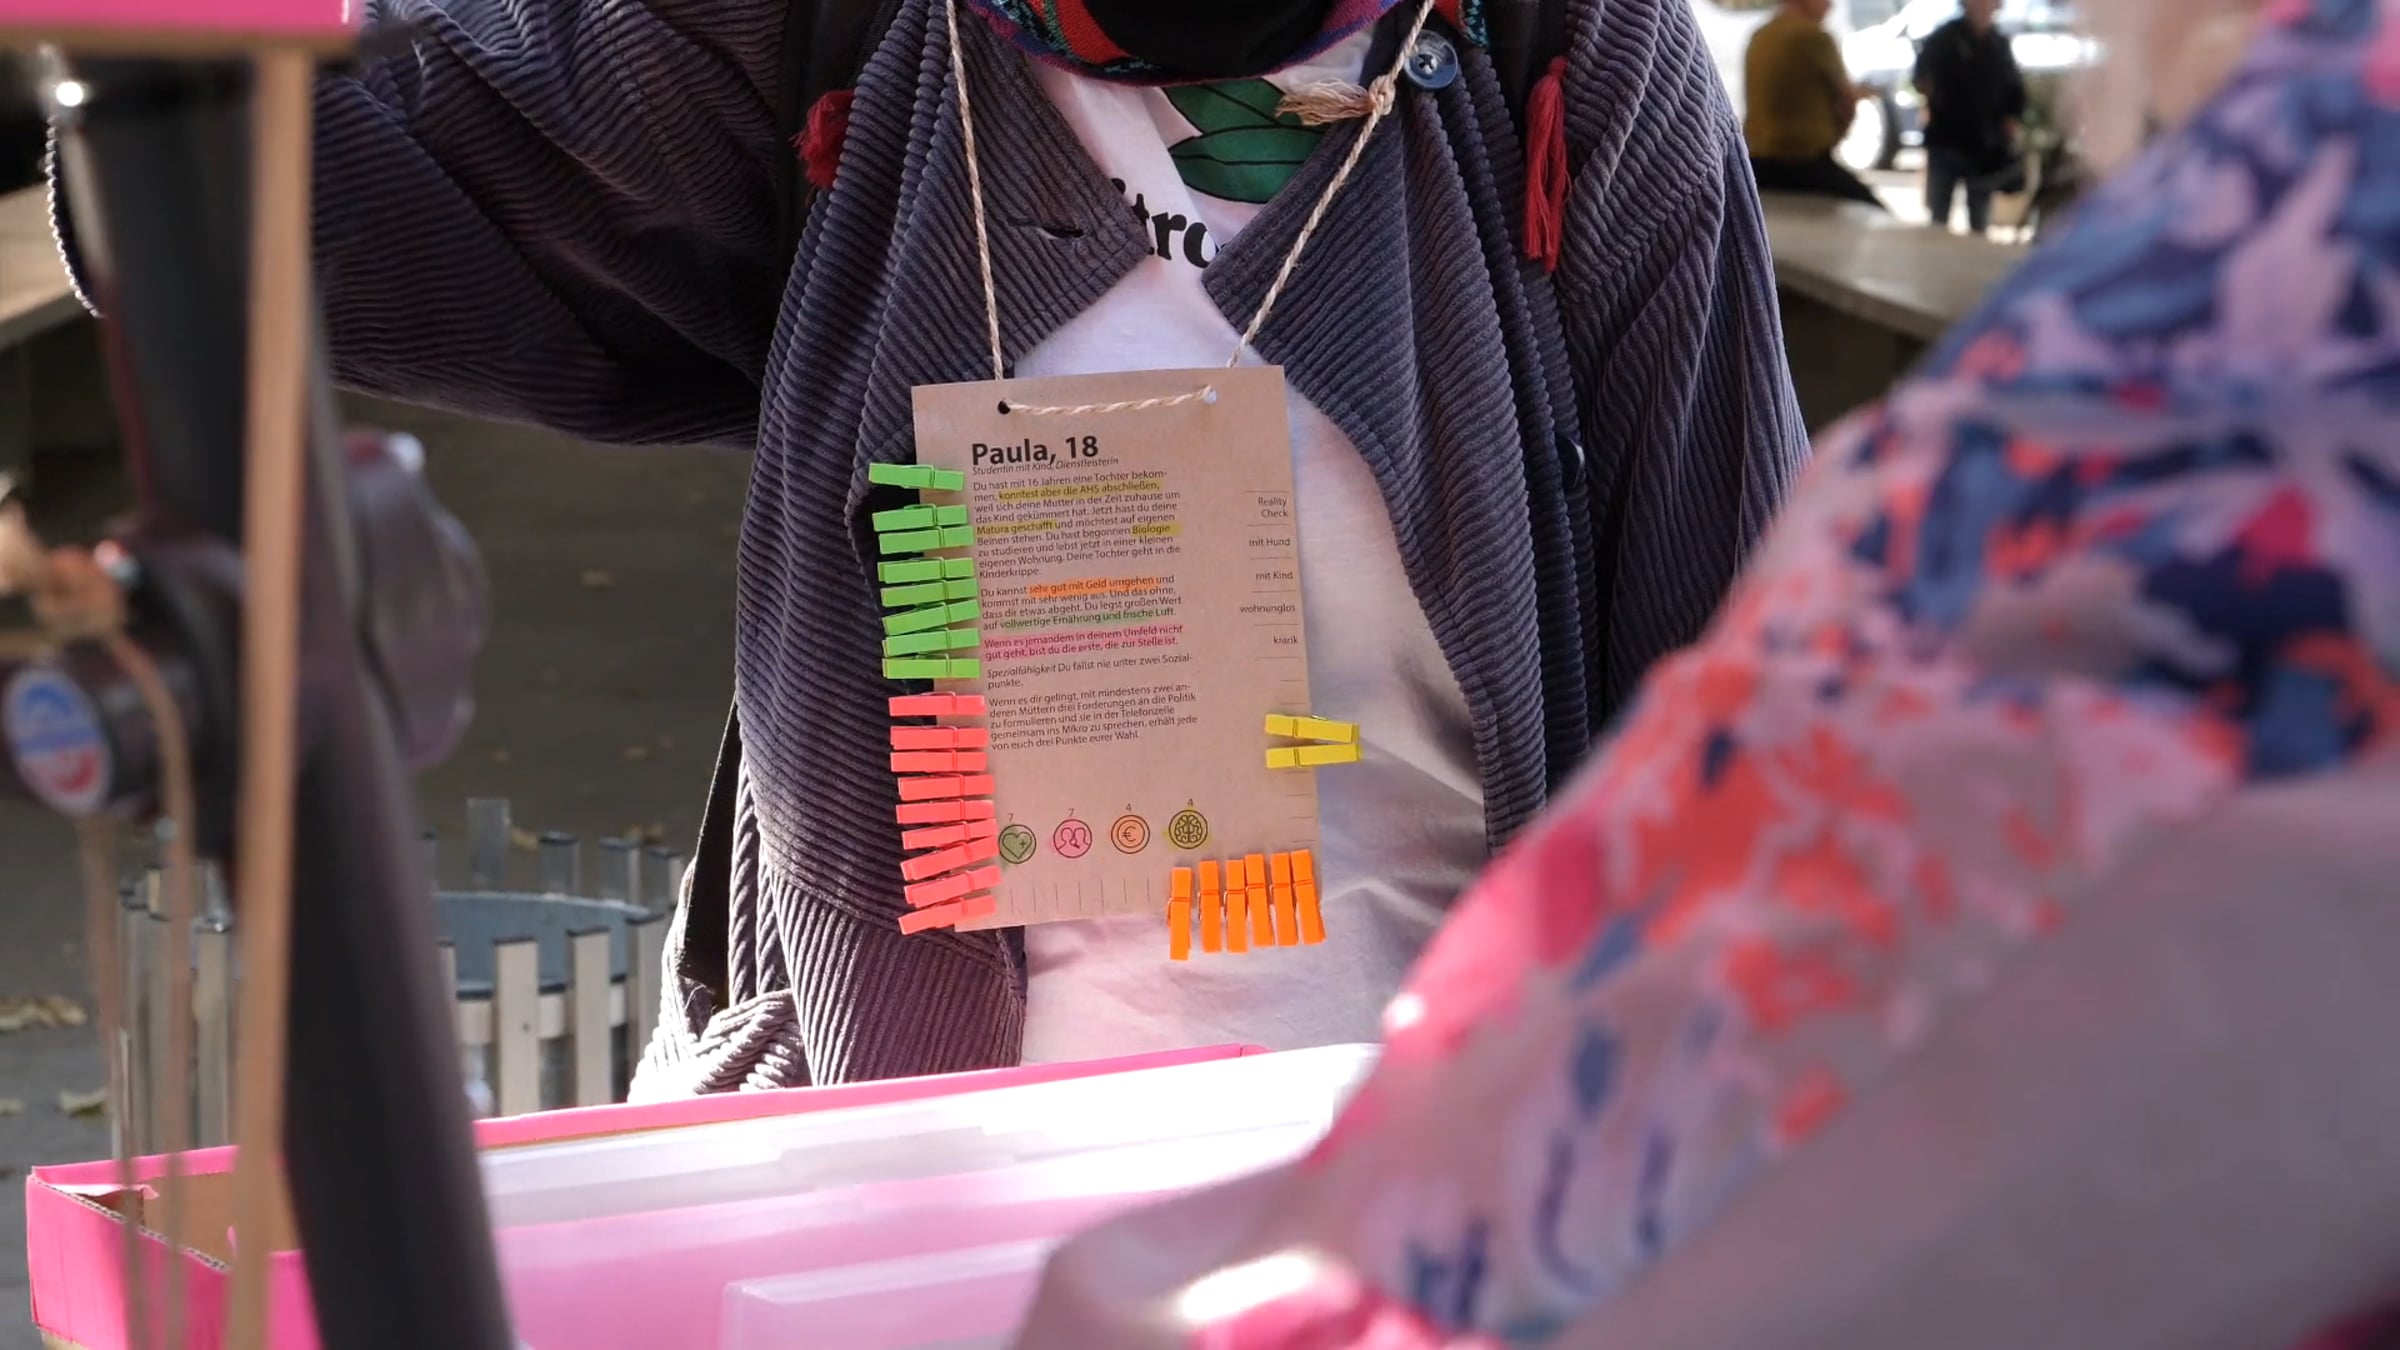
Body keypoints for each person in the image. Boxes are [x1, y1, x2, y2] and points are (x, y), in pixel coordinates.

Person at [50, 0, 1807, 1089]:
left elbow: (1763, 737)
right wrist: (135, 85)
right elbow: (284, 193)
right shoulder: (844, 38)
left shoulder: (1565, 56)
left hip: (1409, 1200)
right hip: (905, 1201)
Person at [1016, 0, 2400, 1344]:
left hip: (1433, 1180)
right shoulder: (888, 73)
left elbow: (1786, 1005)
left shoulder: (2287, 263)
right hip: (1007, 1148)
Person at [1743, 0, 1886, 207]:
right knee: (1875, 211)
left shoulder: (1760, 35)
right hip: (1802, 165)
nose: (1830, 6)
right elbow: (1846, 101)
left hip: (1755, 164)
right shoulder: (1813, 36)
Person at [1915, 0, 2029, 233]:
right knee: (1938, 217)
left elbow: (2014, 89)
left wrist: (2011, 118)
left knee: (1979, 218)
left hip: (1983, 145)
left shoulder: (1998, 44)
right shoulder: (1944, 38)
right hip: (1946, 138)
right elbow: (1921, 79)